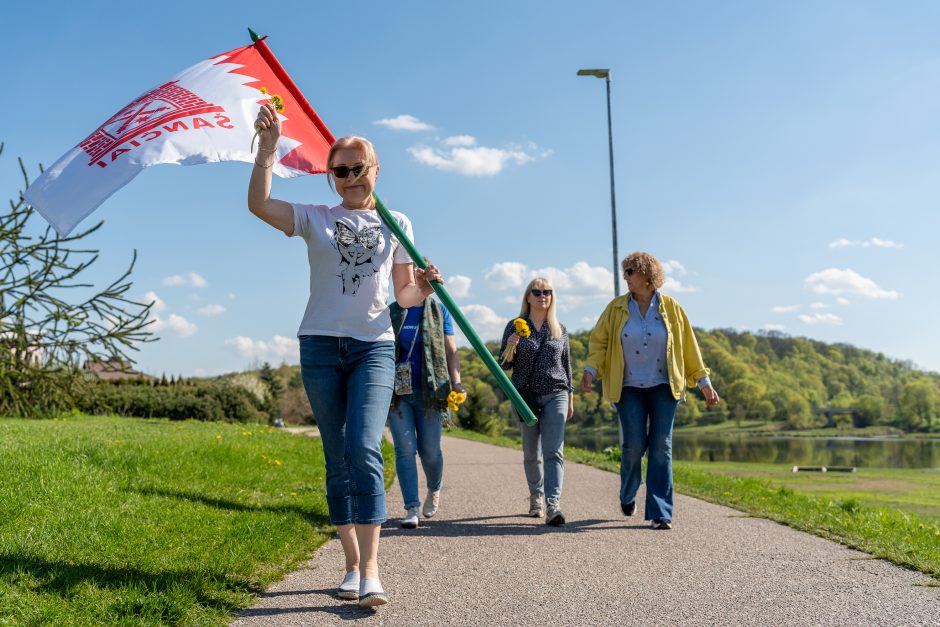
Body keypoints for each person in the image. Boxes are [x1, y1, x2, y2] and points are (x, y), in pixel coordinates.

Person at [247, 102, 443, 607]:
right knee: (336, 457)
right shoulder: (315, 218)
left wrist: (423, 286)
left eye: (360, 168)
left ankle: (373, 568)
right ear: (330, 176)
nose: (351, 176)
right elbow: (259, 205)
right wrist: (267, 151)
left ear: (376, 170)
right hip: (318, 345)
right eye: (341, 170)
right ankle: (351, 564)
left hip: (373, 348)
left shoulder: (397, 223)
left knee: (363, 446)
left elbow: (402, 297)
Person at [580, 252, 719, 530]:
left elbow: (689, 347)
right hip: (628, 386)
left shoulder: (671, 308)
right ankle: (628, 492)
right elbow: (599, 342)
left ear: (646, 274)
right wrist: (591, 369)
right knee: (633, 445)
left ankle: (660, 512)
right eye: (625, 272)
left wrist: (703, 382)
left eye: (630, 271)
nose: (626, 277)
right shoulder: (616, 308)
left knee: (661, 447)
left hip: (664, 387)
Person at [499, 277, 574, 526]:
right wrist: (511, 346)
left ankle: (554, 505)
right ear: (528, 297)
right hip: (525, 395)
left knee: (554, 451)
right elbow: (503, 365)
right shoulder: (515, 325)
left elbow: (566, 366)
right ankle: (536, 498)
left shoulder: (560, 329)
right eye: (537, 291)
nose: (543, 295)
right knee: (532, 453)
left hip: (556, 393)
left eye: (548, 292)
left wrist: (570, 397)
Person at [387, 294, 463, 529]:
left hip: (432, 391)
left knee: (429, 451)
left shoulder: (441, 311)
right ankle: (411, 507)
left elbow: (451, 351)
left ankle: (434, 487)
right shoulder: (394, 310)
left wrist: (457, 383)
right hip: (398, 393)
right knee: (404, 450)